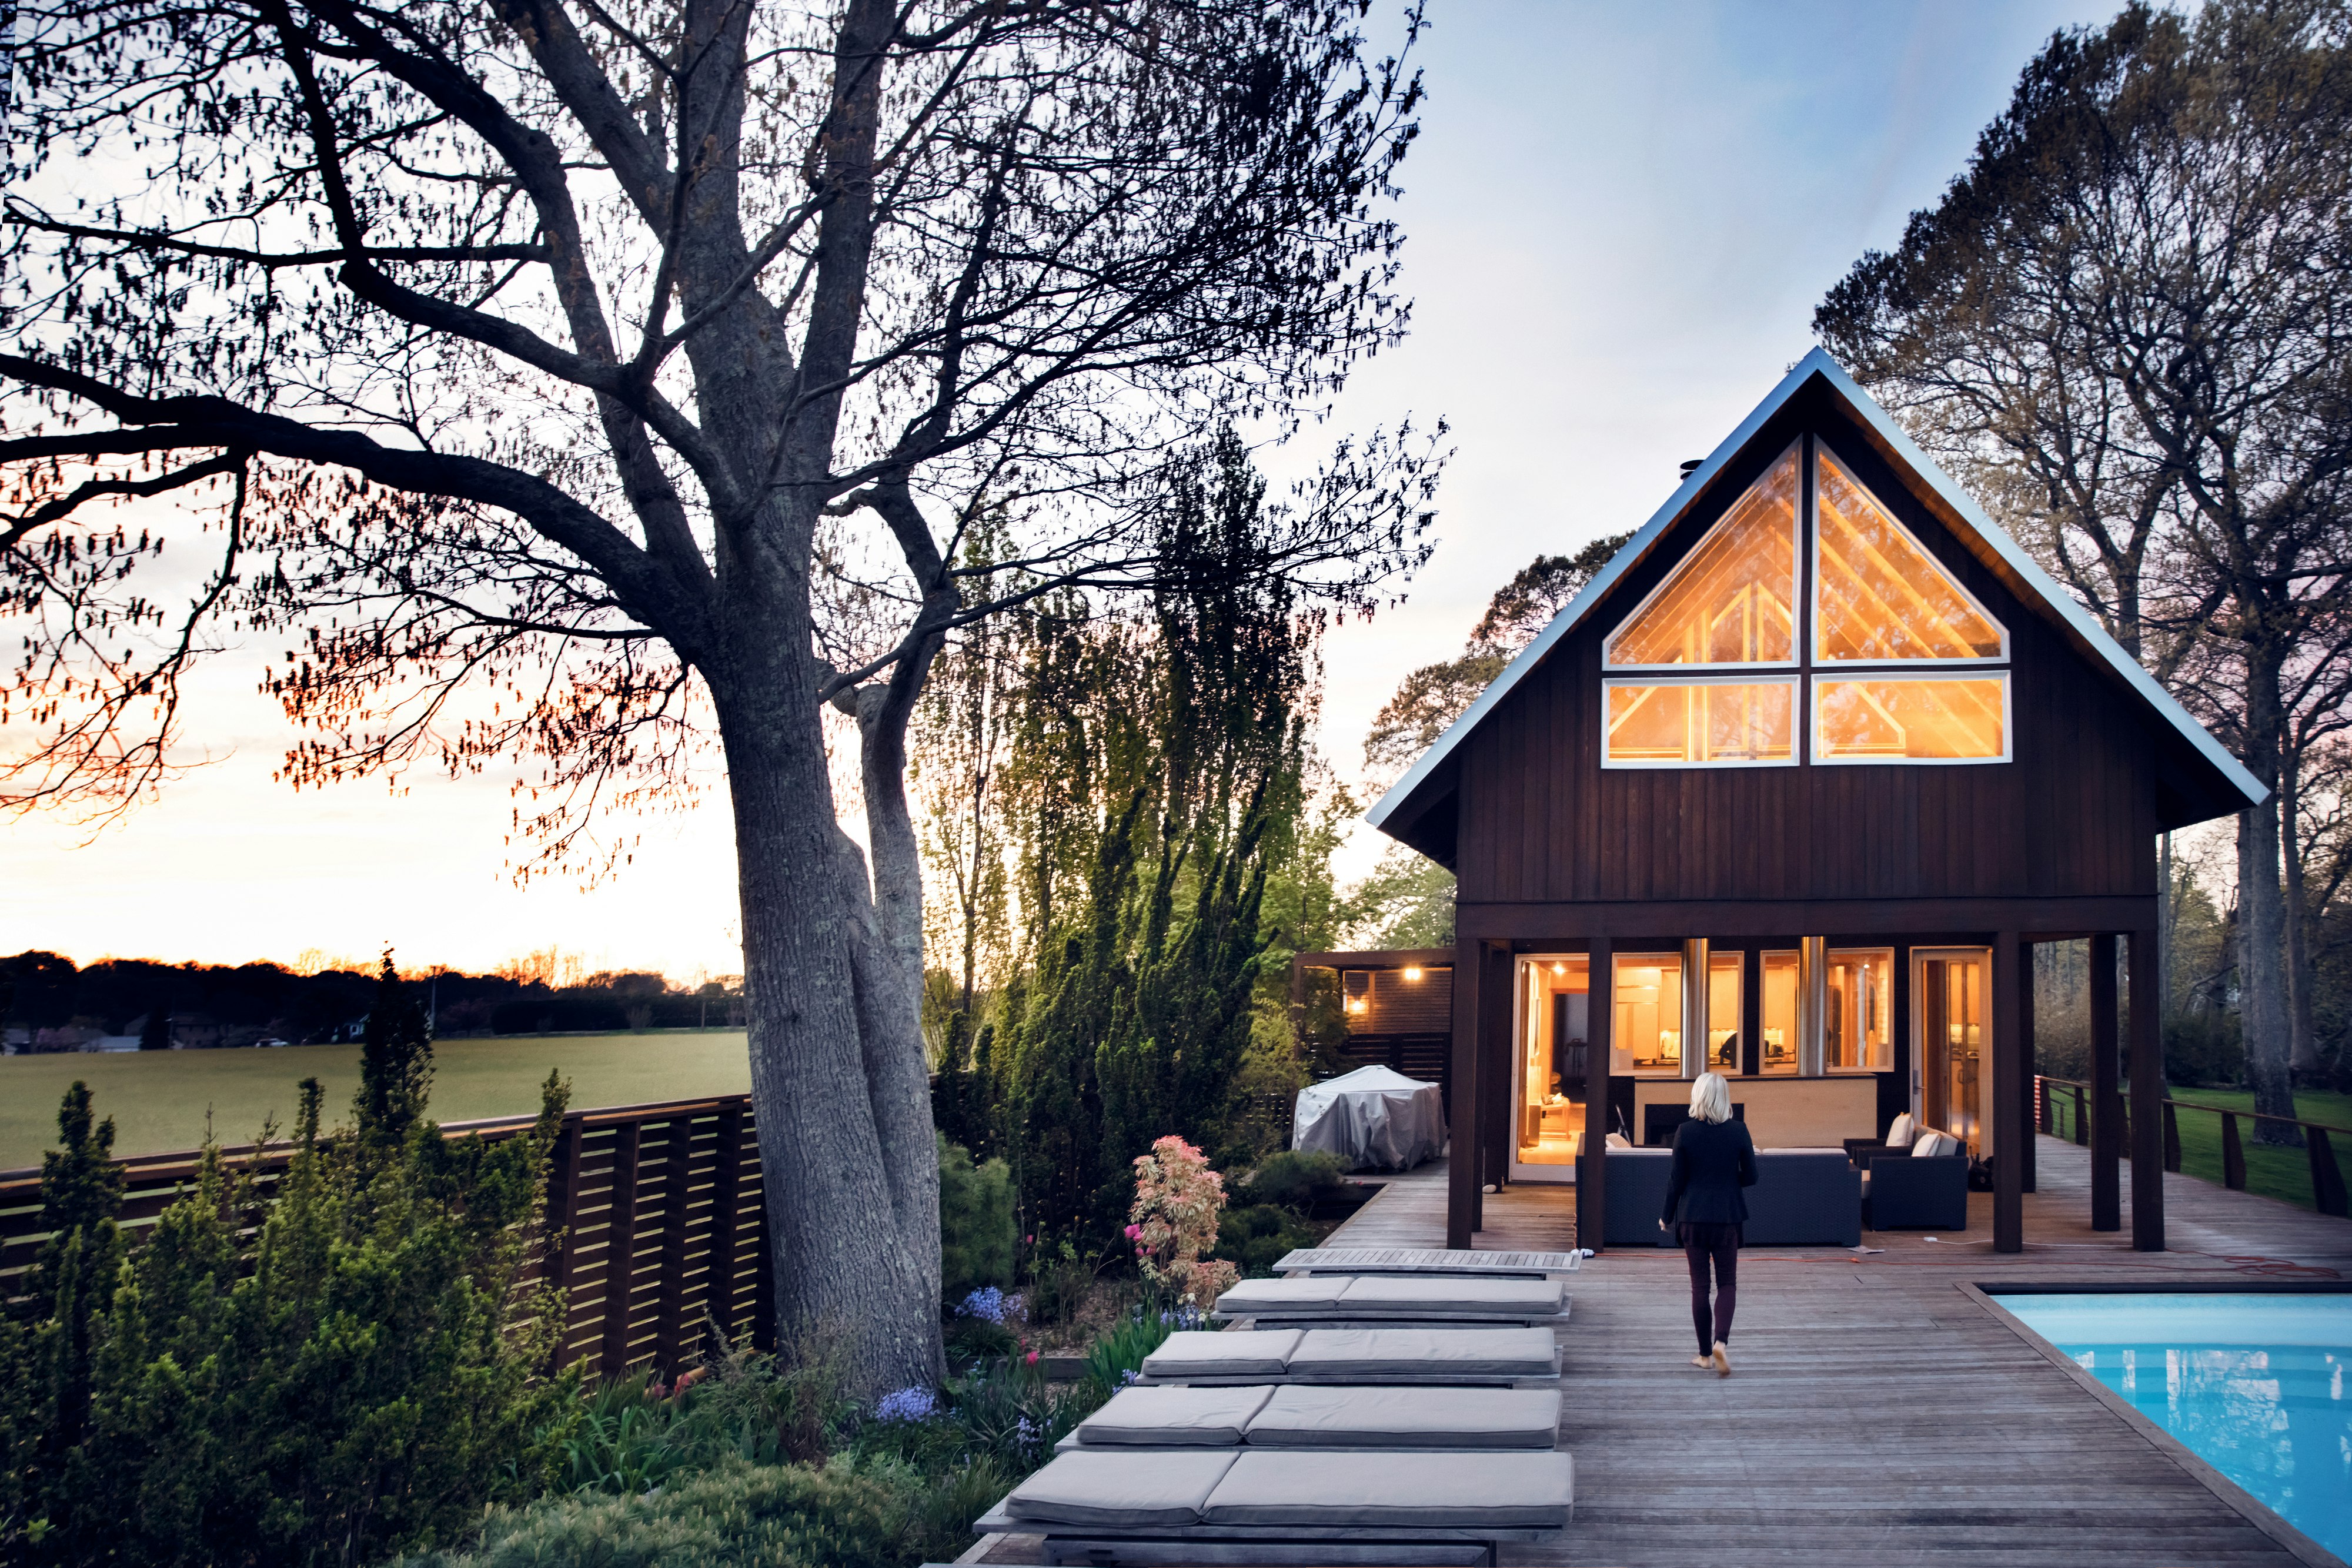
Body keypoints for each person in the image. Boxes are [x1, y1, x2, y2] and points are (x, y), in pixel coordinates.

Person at [1658, 1071, 1756, 1375]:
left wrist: (1667, 1215)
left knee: (1700, 1287)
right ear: (1725, 1099)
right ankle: (1721, 1344)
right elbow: (1752, 1177)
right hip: (1727, 1218)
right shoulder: (1739, 1131)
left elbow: (1677, 1180)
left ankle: (1704, 1356)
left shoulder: (1685, 1132)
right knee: (1727, 1284)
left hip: (1692, 1218)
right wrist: (1727, 1182)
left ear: (1697, 1097)